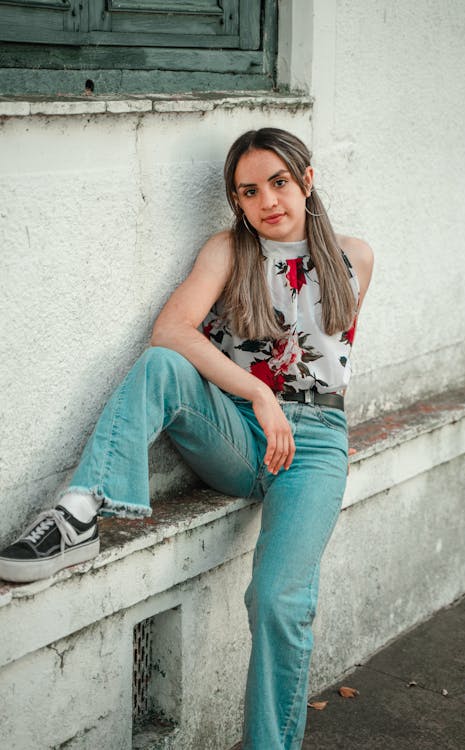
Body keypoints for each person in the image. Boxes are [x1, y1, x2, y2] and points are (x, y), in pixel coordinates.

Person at [0, 127, 373, 748]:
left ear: (307, 180)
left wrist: (289, 405)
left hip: (314, 445)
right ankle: (77, 514)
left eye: (279, 182)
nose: (267, 201)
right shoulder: (228, 250)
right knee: (161, 365)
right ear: (237, 201)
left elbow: (328, 359)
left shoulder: (355, 257)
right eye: (249, 191)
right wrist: (256, 394)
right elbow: (172, 330)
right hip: (237, 429)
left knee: (279, 601)